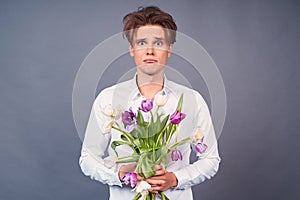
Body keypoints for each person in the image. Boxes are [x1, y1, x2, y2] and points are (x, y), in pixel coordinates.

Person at [79, 6, 221, 200]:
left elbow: (211, 159)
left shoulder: (191, 100)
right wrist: (119, 176)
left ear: (169, 49)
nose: (150, 51)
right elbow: (88, 159)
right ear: (132, 49)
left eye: (159, 43)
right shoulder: (108, 99)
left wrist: (176, 178)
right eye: (142, 42)